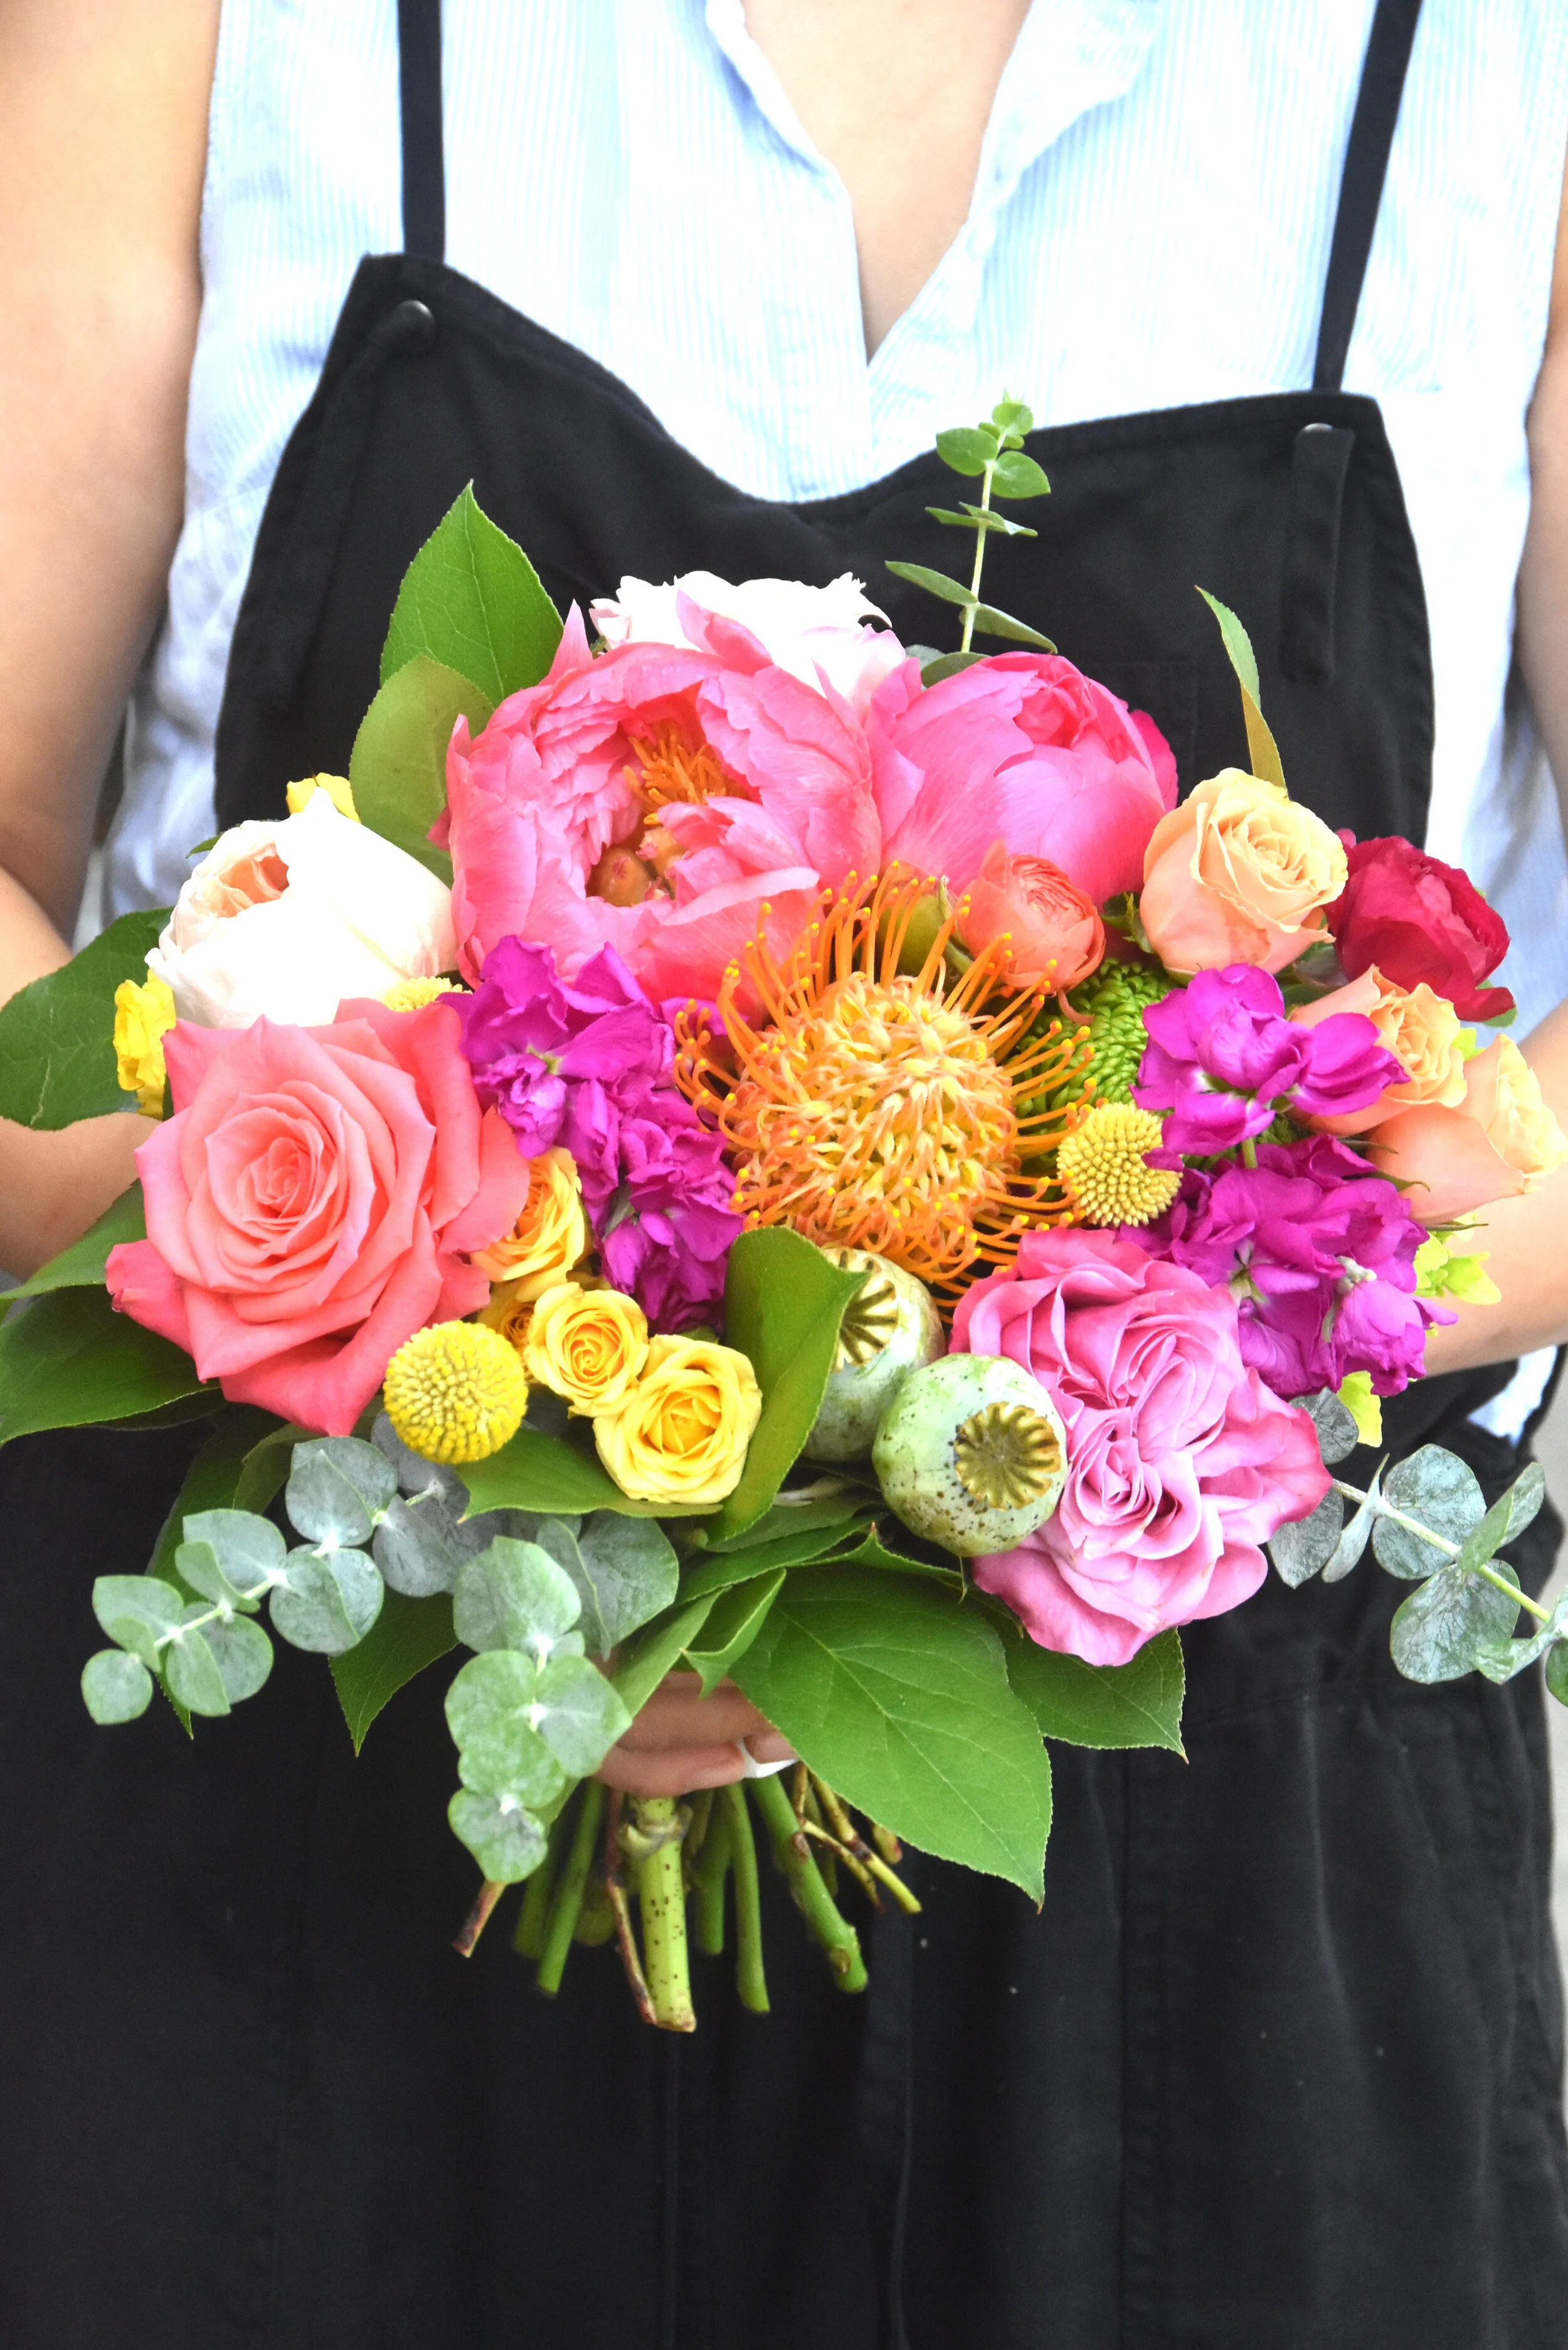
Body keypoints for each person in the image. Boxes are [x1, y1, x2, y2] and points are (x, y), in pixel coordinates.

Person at [1, 3, 1566, 2342]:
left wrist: (1098, 1410)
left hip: (1221, 1943)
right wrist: (476, 1411)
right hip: (292, 1875)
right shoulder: (196, 30)